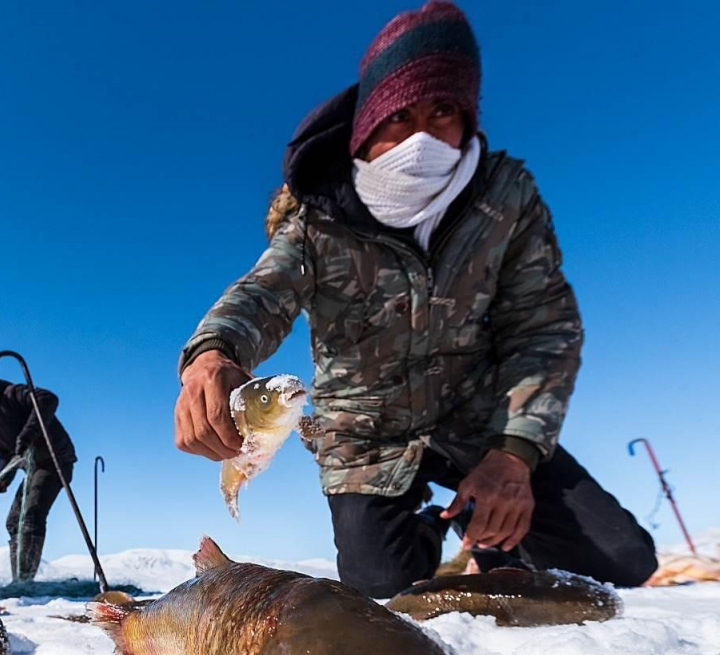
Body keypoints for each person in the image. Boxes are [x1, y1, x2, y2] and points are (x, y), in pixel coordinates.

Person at [173, 1, 657, 597]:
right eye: (399, 114)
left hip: (481, 421)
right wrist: (211, 354)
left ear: (469, 119)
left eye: (444, 110)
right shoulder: (317, 222)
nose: (423, 135)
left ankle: (491, 530)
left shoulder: (507, 200)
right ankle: (437, 526)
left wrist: (513, 455)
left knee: (621, 561)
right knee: (387, 589)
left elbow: (545, 329)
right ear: (367, 124)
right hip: (367, 433)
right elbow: (260, 295)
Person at [0, 377, 76, 582]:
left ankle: (24, 581)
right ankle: (19, 579)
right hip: (32, 468)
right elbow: (6, 456)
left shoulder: (11, 395)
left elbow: (48, 399)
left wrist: (28, 434)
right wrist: (2, 479)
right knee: (13, 522)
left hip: (55, 461)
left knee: (31, 516)